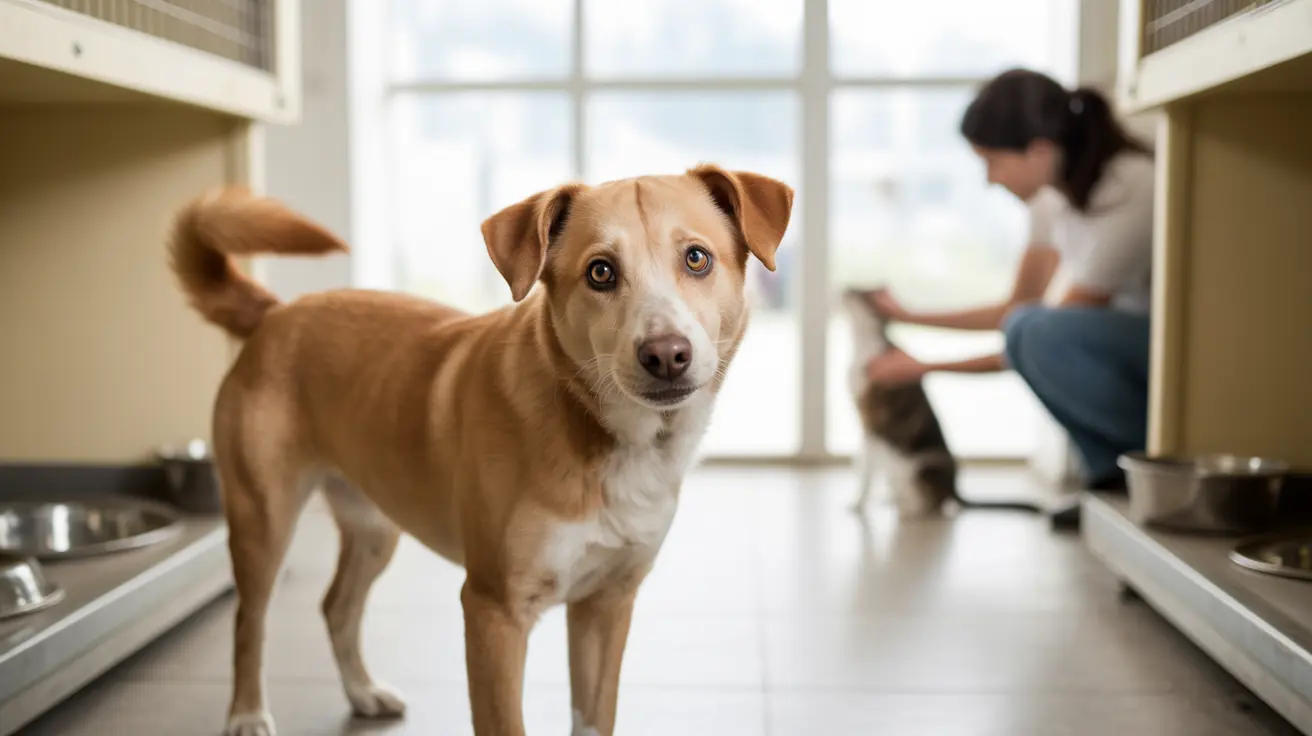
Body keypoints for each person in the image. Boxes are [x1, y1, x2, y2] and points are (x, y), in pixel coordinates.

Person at [862, 68, 1155, 531]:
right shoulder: (1051, 198)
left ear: (1038, 150)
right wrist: (911, 316)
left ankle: (1136, 464)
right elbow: (1014, 311)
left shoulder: (1132, 186)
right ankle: (1107, 480)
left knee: (1035, 332)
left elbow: (1034, 336)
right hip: (1114, 347)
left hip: (1159, 361)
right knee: (1031, 327)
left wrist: (923, 367)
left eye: (993, 162)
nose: (989, 179)